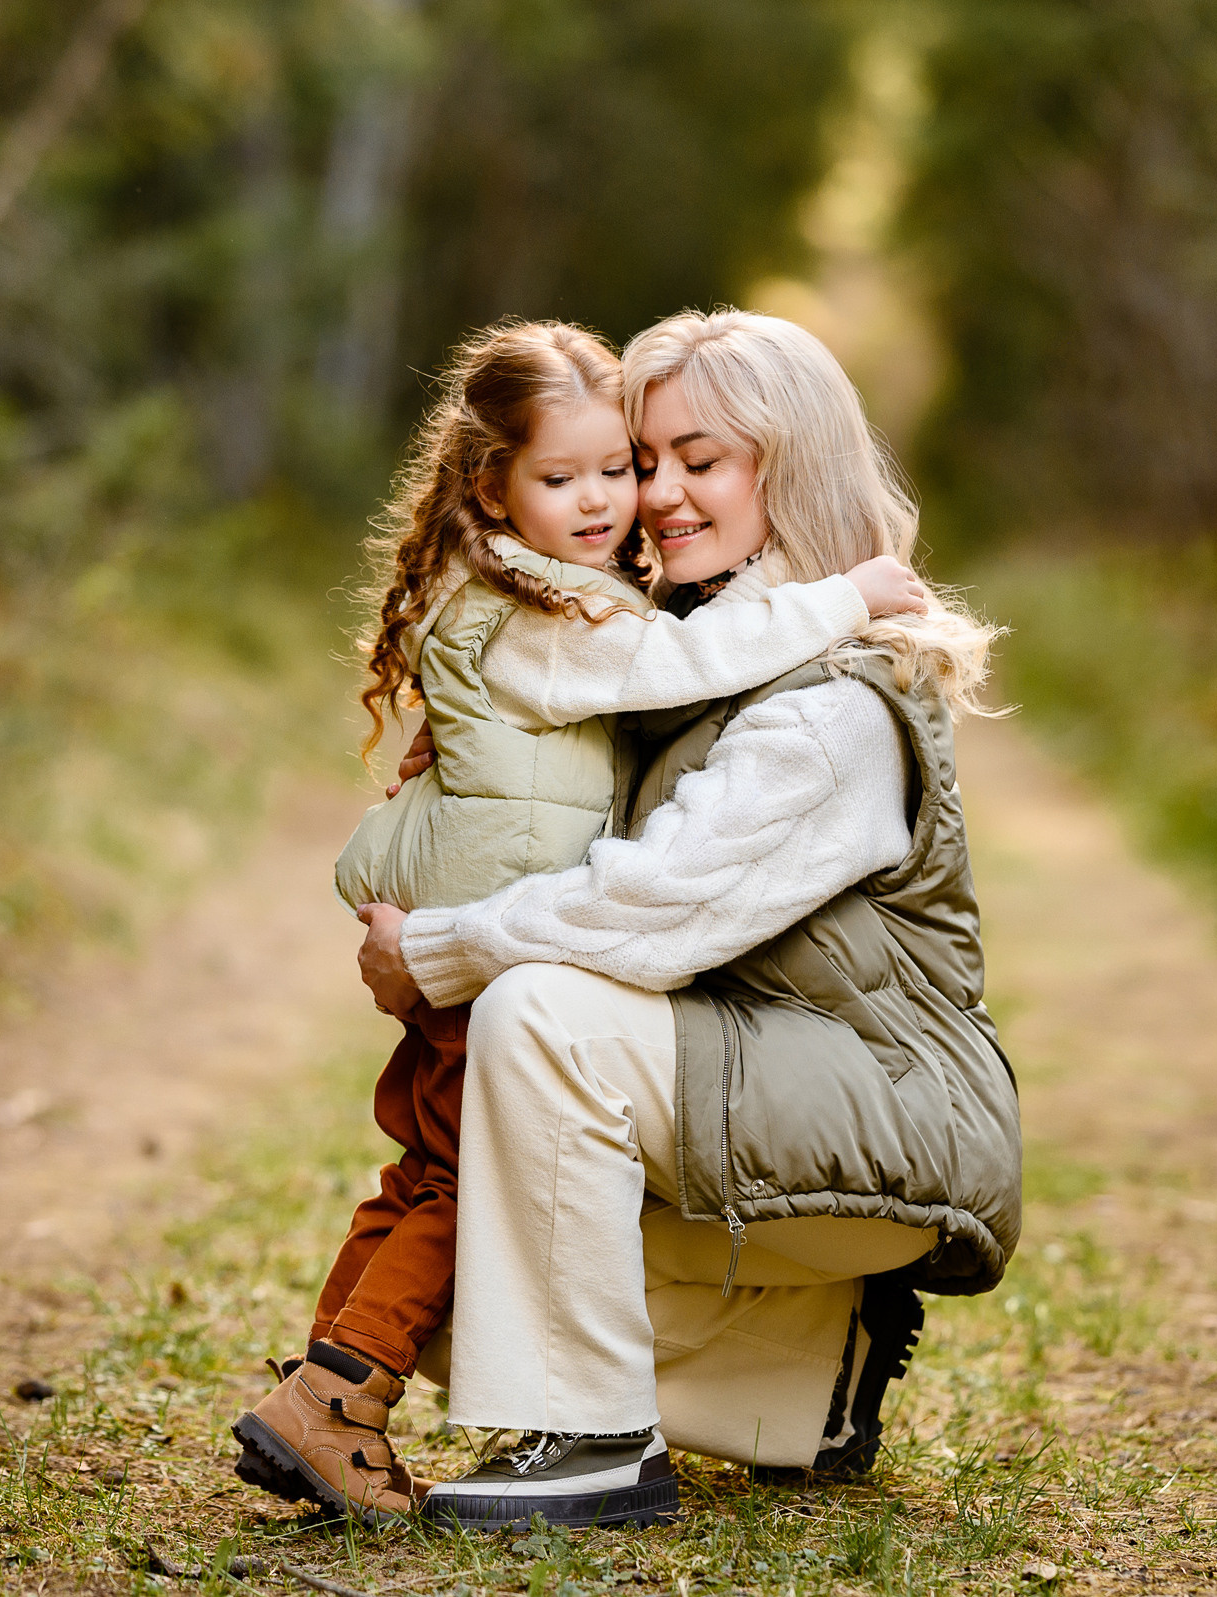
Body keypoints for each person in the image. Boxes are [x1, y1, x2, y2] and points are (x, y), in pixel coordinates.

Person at [230, 319, 931, 1523]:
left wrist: (436, 952)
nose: (640, 498)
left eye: (679, 462)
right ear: (493, 488)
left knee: (501, 1091)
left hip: (876, 1111)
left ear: (789, 462)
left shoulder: (823, 705)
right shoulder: (576, 618)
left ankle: (370, 1395)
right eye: (616, 466)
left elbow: (652, 897)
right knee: (458, 1179)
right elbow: (657, 669)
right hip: (742, 1062)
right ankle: (338, 1393)